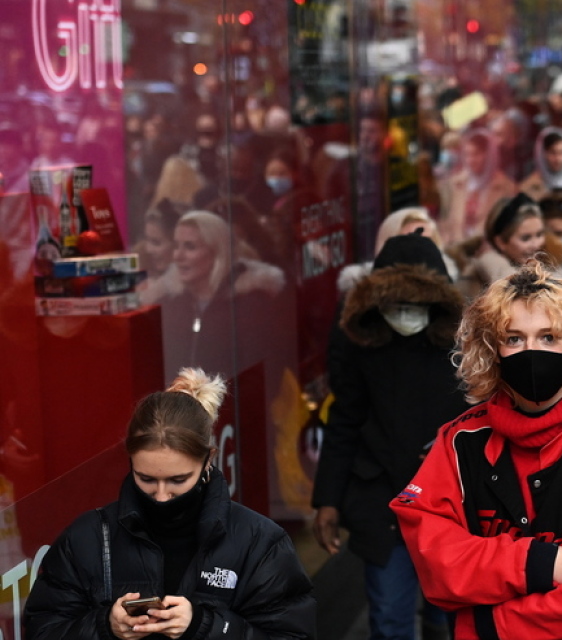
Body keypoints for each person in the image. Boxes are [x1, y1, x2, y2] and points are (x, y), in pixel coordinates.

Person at [390, 261, 562, 639]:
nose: (531, 351)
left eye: (549, 337)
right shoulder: (457, 441)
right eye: (514, 338)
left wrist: (493, 625)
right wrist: (541, 562)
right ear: (492, 348)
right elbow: (438, 565)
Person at [23, 368, 315, 639]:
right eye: (146, 478)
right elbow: (43, 629)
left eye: (177, 480)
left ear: (208, 460)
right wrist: (105, 625)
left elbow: (292, 634)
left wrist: (205, 625)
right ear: (130, 461)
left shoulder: (259, 542)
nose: (161, 495)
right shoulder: (88, 538)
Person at [313, 232, 468, 640]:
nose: (405, 314)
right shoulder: (360, 341)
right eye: (396, 304)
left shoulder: (464, 349)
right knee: (389, 619)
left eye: (415, 304)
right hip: (383, 500)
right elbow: (345, 418)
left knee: (454, 616)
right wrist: (328, 500)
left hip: (454, 505)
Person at [160, 210, 286, 378]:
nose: (178, 256)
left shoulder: (250, 306)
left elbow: (266, 377)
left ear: (217, 252)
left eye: (190, 246)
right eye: (176, 246)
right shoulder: (169, 303)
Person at [461, 193, 554, 296]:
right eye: (526, 238)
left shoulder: (553, 264)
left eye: (539, 234)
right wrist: (490, 261)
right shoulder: (473, 278)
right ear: (501, 242)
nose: (536, 244)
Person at [438, 129, 517, 244]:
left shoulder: (507, 188)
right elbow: (444, 221)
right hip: (455, 248)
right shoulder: (454, 184)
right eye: (467, 154)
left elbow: (509, 228)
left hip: (490, 250)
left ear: (490, 155)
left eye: (476, 154)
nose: (471, 160)